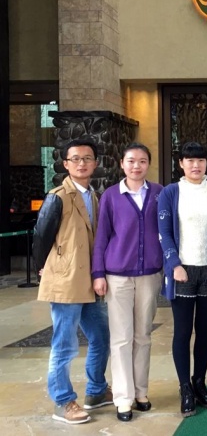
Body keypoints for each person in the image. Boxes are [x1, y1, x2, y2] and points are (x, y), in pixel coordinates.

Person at [33, 139, 111, 424]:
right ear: (65, 164)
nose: (82, 163)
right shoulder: (57, 197)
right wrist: (43, 267)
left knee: (101, 337)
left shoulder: (94, 196)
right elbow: (41, 235)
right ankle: (63, 400)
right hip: (66, 281)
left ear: (95, 163)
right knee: (65, 344)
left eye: (87, 158)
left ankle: (97, 390)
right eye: (75, 158)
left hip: (89, 281)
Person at [92, 142, 164, 422]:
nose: (136, 166)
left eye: (142, 161)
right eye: (131, 161)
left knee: (143, 335)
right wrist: (98, 273)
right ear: (122, 164)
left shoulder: (158, 193)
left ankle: (141, 392)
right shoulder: (111, 196)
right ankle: (123, 398)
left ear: (148, 164)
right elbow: (101, 237)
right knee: (121, 337)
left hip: (149, 275)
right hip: (118, 276)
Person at [158, 142, 207, 417]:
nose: (196, 165)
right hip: (182, 271)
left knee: (205, 331)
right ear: (181, 163)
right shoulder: (171, 192)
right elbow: (163, 232)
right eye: (190, 160)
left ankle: (200, 383)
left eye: (201, 160)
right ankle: (185, 388)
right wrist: (174, 264)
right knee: (183, 332)